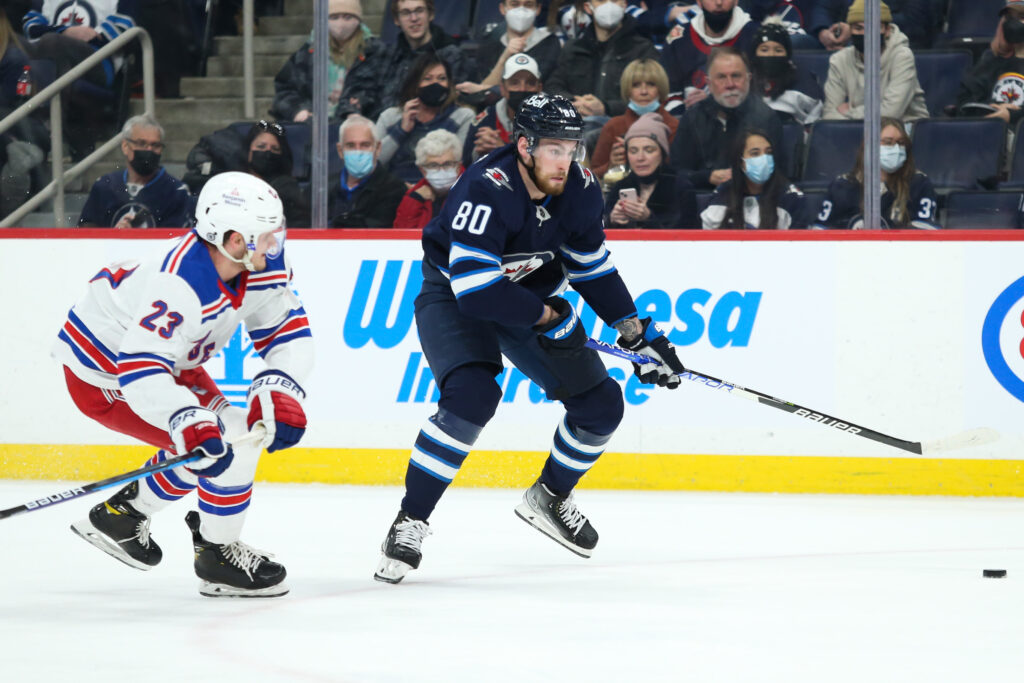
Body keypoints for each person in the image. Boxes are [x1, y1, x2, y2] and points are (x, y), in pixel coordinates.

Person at [371, 93, 686, 584]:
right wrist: (547, 318)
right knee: (472, 397)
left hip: (530, 293)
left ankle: (550, 496)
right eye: (553, 149)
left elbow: (590, 265)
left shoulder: (579, 185)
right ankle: (410, 520)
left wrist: (635, 332)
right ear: (524, 146)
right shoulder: (485, 187)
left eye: (572, 148)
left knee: (602, 406)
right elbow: (475, 292)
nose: (565, 161)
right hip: (455, 296)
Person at [57, 171, 313, 597]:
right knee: (225, 446)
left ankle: (124, 515)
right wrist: (185, 417)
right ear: (234, 239)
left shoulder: (258, 263)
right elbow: (138, 368)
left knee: (228, 438)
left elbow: (287, 333)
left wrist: (279, 386)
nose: (275, 245)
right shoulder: (181, 283)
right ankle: (216, 554)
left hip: (170, 361)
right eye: (266, 235)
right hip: (104, 373)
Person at [670, 46, 784, 190]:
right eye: (721, 77)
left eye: (736, 76)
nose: (730, 85)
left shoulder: (767, 118)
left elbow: (778, 172)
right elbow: (677, 173)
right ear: (709, 84)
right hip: (703, 201)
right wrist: (708, 177)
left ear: (748, 79)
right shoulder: (692, 118)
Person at [270, 0, 389, 123]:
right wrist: (298, 111)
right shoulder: (308, 53)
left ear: (358, 20)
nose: (341, 23)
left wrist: (358, 106)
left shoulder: (375, 52)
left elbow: (385, 91)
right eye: (334, 17)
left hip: (359, 128)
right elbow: (284, 89)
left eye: (348, 17)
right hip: (312, 126)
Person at [813, 116, 939, 229]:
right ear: (869, 146)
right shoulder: (843, 185)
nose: (896, 149)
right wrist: (851, 226)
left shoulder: (919, 183)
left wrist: (890, 231)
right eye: (888, 143)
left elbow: (927, 232)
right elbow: (819, 232)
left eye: (901, 143)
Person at [546, 0, 659, 120]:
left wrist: (606, 107)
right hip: (574, 123)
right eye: (601, 0)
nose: (608, 5)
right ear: (588, 8)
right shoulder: (573, 48)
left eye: (614, 0)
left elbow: (652, 96)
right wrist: (573, 102)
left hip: (622, 126)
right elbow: (553, 85)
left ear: (624, 5)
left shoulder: (643, 49)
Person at [375, 53, 475, 185]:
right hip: (395, 191)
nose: (435, 84)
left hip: (442, 189)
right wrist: (401, 130)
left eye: (441, 78)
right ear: (415, 84)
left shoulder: (462, 116)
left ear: (449, 84)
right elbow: (374, 163)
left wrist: (421, 189)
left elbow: (458, 163)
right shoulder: (390, 117)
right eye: (427, 79)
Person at [822, 0, 928, 123]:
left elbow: (891, 113)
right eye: (858, 28)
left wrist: (849, 112)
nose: (865, 33)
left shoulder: (902, 56)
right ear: (850, 31)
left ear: (887, 30)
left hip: (905, 130)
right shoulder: (839, 60)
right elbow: (829, 115)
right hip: (856, 131)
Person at [78, 115, 192, 228]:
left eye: (155, 145)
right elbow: (86, 233)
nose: (149, 150)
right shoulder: (104, 186)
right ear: (125, 146)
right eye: (142, 143)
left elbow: (177, 240)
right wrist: (113, 236)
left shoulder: (176, 191)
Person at [377, 0, 474, 114]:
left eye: (419, 11)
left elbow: (448, 102)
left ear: (431, 14)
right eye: (405, 13)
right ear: (396, 20)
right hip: (384, 123)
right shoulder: (388, 55)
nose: (414, 18)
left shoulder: (451, 55)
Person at [659, 0, 756, 111]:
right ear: (699, 2)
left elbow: (761, 96)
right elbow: (668, 92)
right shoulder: (678, 37)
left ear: (736, 1)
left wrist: (715, 102)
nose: (719, 2)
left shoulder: (754, 37)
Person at [606, 112, 698, 228]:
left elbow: (688, 238)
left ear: (662, 153)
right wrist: (611, 220)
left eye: (649, 150)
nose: (640, 158)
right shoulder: (620, 187)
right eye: (633, 151)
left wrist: (649, 219)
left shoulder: (682, 187)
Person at [590, 58, 677, 179]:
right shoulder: (613, 127)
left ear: (660, 88)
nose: (643, 91)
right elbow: (591, 176)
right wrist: (611, 166)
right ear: (628, 90)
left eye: (651, 84)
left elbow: (682, 172)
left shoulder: (674, 127)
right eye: (636, 85)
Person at [700, 128, 805, 229]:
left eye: (768, 152)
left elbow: (797, 243)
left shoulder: (790, 196)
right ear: (741, 162)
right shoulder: (724, 192)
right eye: (755, 153)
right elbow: (709, 240)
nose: (764, 159)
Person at [457, 0, 560, 97]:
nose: (521, 11)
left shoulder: (551, 42)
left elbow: (540, 88)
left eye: (528, 5)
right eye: (514, 4)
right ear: (503, 8)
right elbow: (482, 93)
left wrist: (482, 89)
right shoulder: (488, 45)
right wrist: (504, 57)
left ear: (538, 9)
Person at [462, 53, 544, 167]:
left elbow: (550, 169)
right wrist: (479, 153)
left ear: (539, 88)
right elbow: (466, 164)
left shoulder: (554, 119)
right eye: (514, 83)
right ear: (503, 89)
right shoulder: (485, 120)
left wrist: (503, 150)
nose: (522, 89)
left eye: (530, 83)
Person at [329, 114, 407, 227]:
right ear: (340, 150)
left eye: (365, 145)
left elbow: (379, 229)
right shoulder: (324, 187)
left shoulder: (394, 189)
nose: (358, 151)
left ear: (378, 148)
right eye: (351, 145)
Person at [956, 1, 1024, 125]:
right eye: (1009, 18)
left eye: (1021, 17)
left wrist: (1013, 115)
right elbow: (965, 102)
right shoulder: (990, 62)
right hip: (989, 132)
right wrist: (993, 108)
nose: (1013, 24)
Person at [749, 16, 822, 126]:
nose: (771, 54)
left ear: (787, 54)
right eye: (764, 50)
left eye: (778, 50)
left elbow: (814, 125)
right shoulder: (744, 84)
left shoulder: (805, 86)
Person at [240, 120, 309, 229]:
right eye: (261, 147)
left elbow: (299, 225)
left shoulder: (288, 189)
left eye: (274, 149)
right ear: (248, 152)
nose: (268, 153)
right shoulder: (235, 184)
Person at [394, 130, 463, 229]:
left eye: (448, 164)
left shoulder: (471, 192)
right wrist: (415, 200)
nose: (441, 170)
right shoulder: (414, 195)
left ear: (458, 165)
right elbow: (401, 237)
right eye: (433, 165)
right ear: (422, 170)